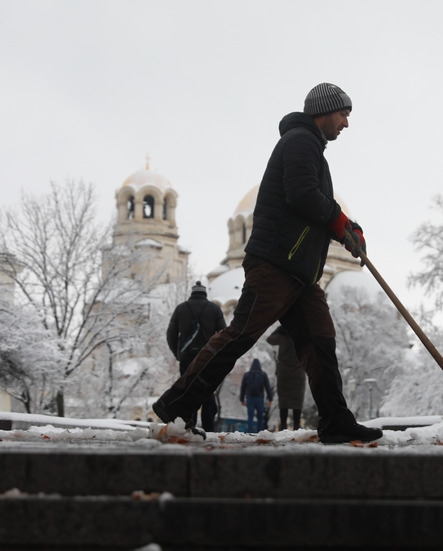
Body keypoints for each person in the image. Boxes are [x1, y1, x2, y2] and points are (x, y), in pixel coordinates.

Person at [153, 82, 383, 444]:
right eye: (343, 114)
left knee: (319, 342)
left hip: (300, 274)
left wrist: (346, 228)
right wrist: (340, 222)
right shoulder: (299, 142)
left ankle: (336, 420)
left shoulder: (312, 149)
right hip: (277, 264)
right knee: (240, 335)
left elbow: (312, 201)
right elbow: (303, 195)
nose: (346, 123)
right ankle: (177, 404)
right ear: (323, 112)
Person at [165, 281, 227, 431]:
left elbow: (170, 335)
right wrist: (217, 356)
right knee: (206, 392)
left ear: (192, 293)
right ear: (205, 294)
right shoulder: (214, 309)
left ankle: (189, 428)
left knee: (188, 392)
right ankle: (209, 429)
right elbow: (224, 334)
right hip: (207, 359)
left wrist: (178, 354)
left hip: (186, 359)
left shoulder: (181, 309)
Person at [267, 325, 306, 430]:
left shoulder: (281, 337)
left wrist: (280, 329)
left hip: (284, 372)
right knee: (297, 400)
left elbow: (269, 339)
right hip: (299, 372)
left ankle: (283, 425)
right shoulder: (302, 336)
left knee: (283, 400)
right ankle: (296, 426)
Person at [239, 359, 273, 433]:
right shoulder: (263, 375)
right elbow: (267, 387)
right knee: (260, 417)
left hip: (250, 398)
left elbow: (243, 388)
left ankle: (250, 432)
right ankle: (259, 432)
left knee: (250, 417)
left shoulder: (247, 375)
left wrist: (242, 399)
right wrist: (270, 399)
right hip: (259, 398)